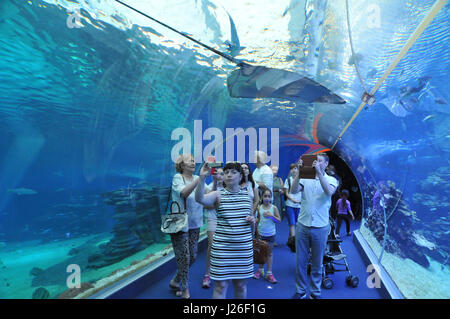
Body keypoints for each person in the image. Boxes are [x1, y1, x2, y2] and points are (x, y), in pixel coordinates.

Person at [195, 162, 255, 299]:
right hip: (222, 249)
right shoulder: (218, 194)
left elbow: (251, 231)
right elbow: (200, 199)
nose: (229, 175)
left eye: (233, 172)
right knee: (220, 286)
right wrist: (202, 178)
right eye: (226, 172)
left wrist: (252, 223)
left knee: (240, 286)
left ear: (240, 177)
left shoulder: (248, 197)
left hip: (243, 249)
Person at [290, 153, 338, 299]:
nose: (316, 163)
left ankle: (315, 292)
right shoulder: (305, 177)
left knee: (317, 262)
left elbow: (328, 191)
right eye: (314, 160)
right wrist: (299, 173)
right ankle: (301, 291)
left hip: (320, 227)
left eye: (320, 161)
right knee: (300, 262)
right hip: (303, 225)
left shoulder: (331, 180)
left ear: (326, 164)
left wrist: (318, 173)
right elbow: (293, 191)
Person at [169, 154, 204, 299]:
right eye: (190, 160)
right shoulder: (178, 178)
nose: (193, 162)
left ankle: (175, 280)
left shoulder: (197, 179)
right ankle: (184, 289)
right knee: (184, 257)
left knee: (193, 256)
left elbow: (207, 192)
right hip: (180, 225)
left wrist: (214, 181)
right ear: (182, 165)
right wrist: (199, 179)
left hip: (195, 224)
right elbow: (183, 193)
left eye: (194, 160)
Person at [202, 167, 225, 289]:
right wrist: (215, 183)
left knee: (225, 246)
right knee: (212, 246)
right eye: (217, 174)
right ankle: (207, 274)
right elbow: (207, 205)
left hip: (224, 220)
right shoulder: (209, 186)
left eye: (222, 174)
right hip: (212, 219)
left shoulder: (228, 188)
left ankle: (222, 271)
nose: (220, 176)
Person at [253, 188, 281, 284]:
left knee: (269, 253)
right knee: (260, 253)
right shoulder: (259, 207)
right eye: (265, 196)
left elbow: (279, 220)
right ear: (261, 197)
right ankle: (260, 270)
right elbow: (259, 219)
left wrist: (272, 216)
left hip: (270, 235)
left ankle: (269, 273)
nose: (267, 198)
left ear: (271, 198)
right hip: (260, 234)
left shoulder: (274, 208)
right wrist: (253, 220)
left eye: (269, 196)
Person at [284, 163, 302, 242]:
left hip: (299, 206)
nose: (294, 170)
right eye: (292, 169)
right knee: (292, 223)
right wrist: (294, 200)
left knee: (298, 224)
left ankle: (291, 239)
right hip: (290, 205)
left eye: (295, 168)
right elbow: (286, 193)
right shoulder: (288, 180)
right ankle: (294, 242)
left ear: (298, 170)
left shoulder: (302, 180)